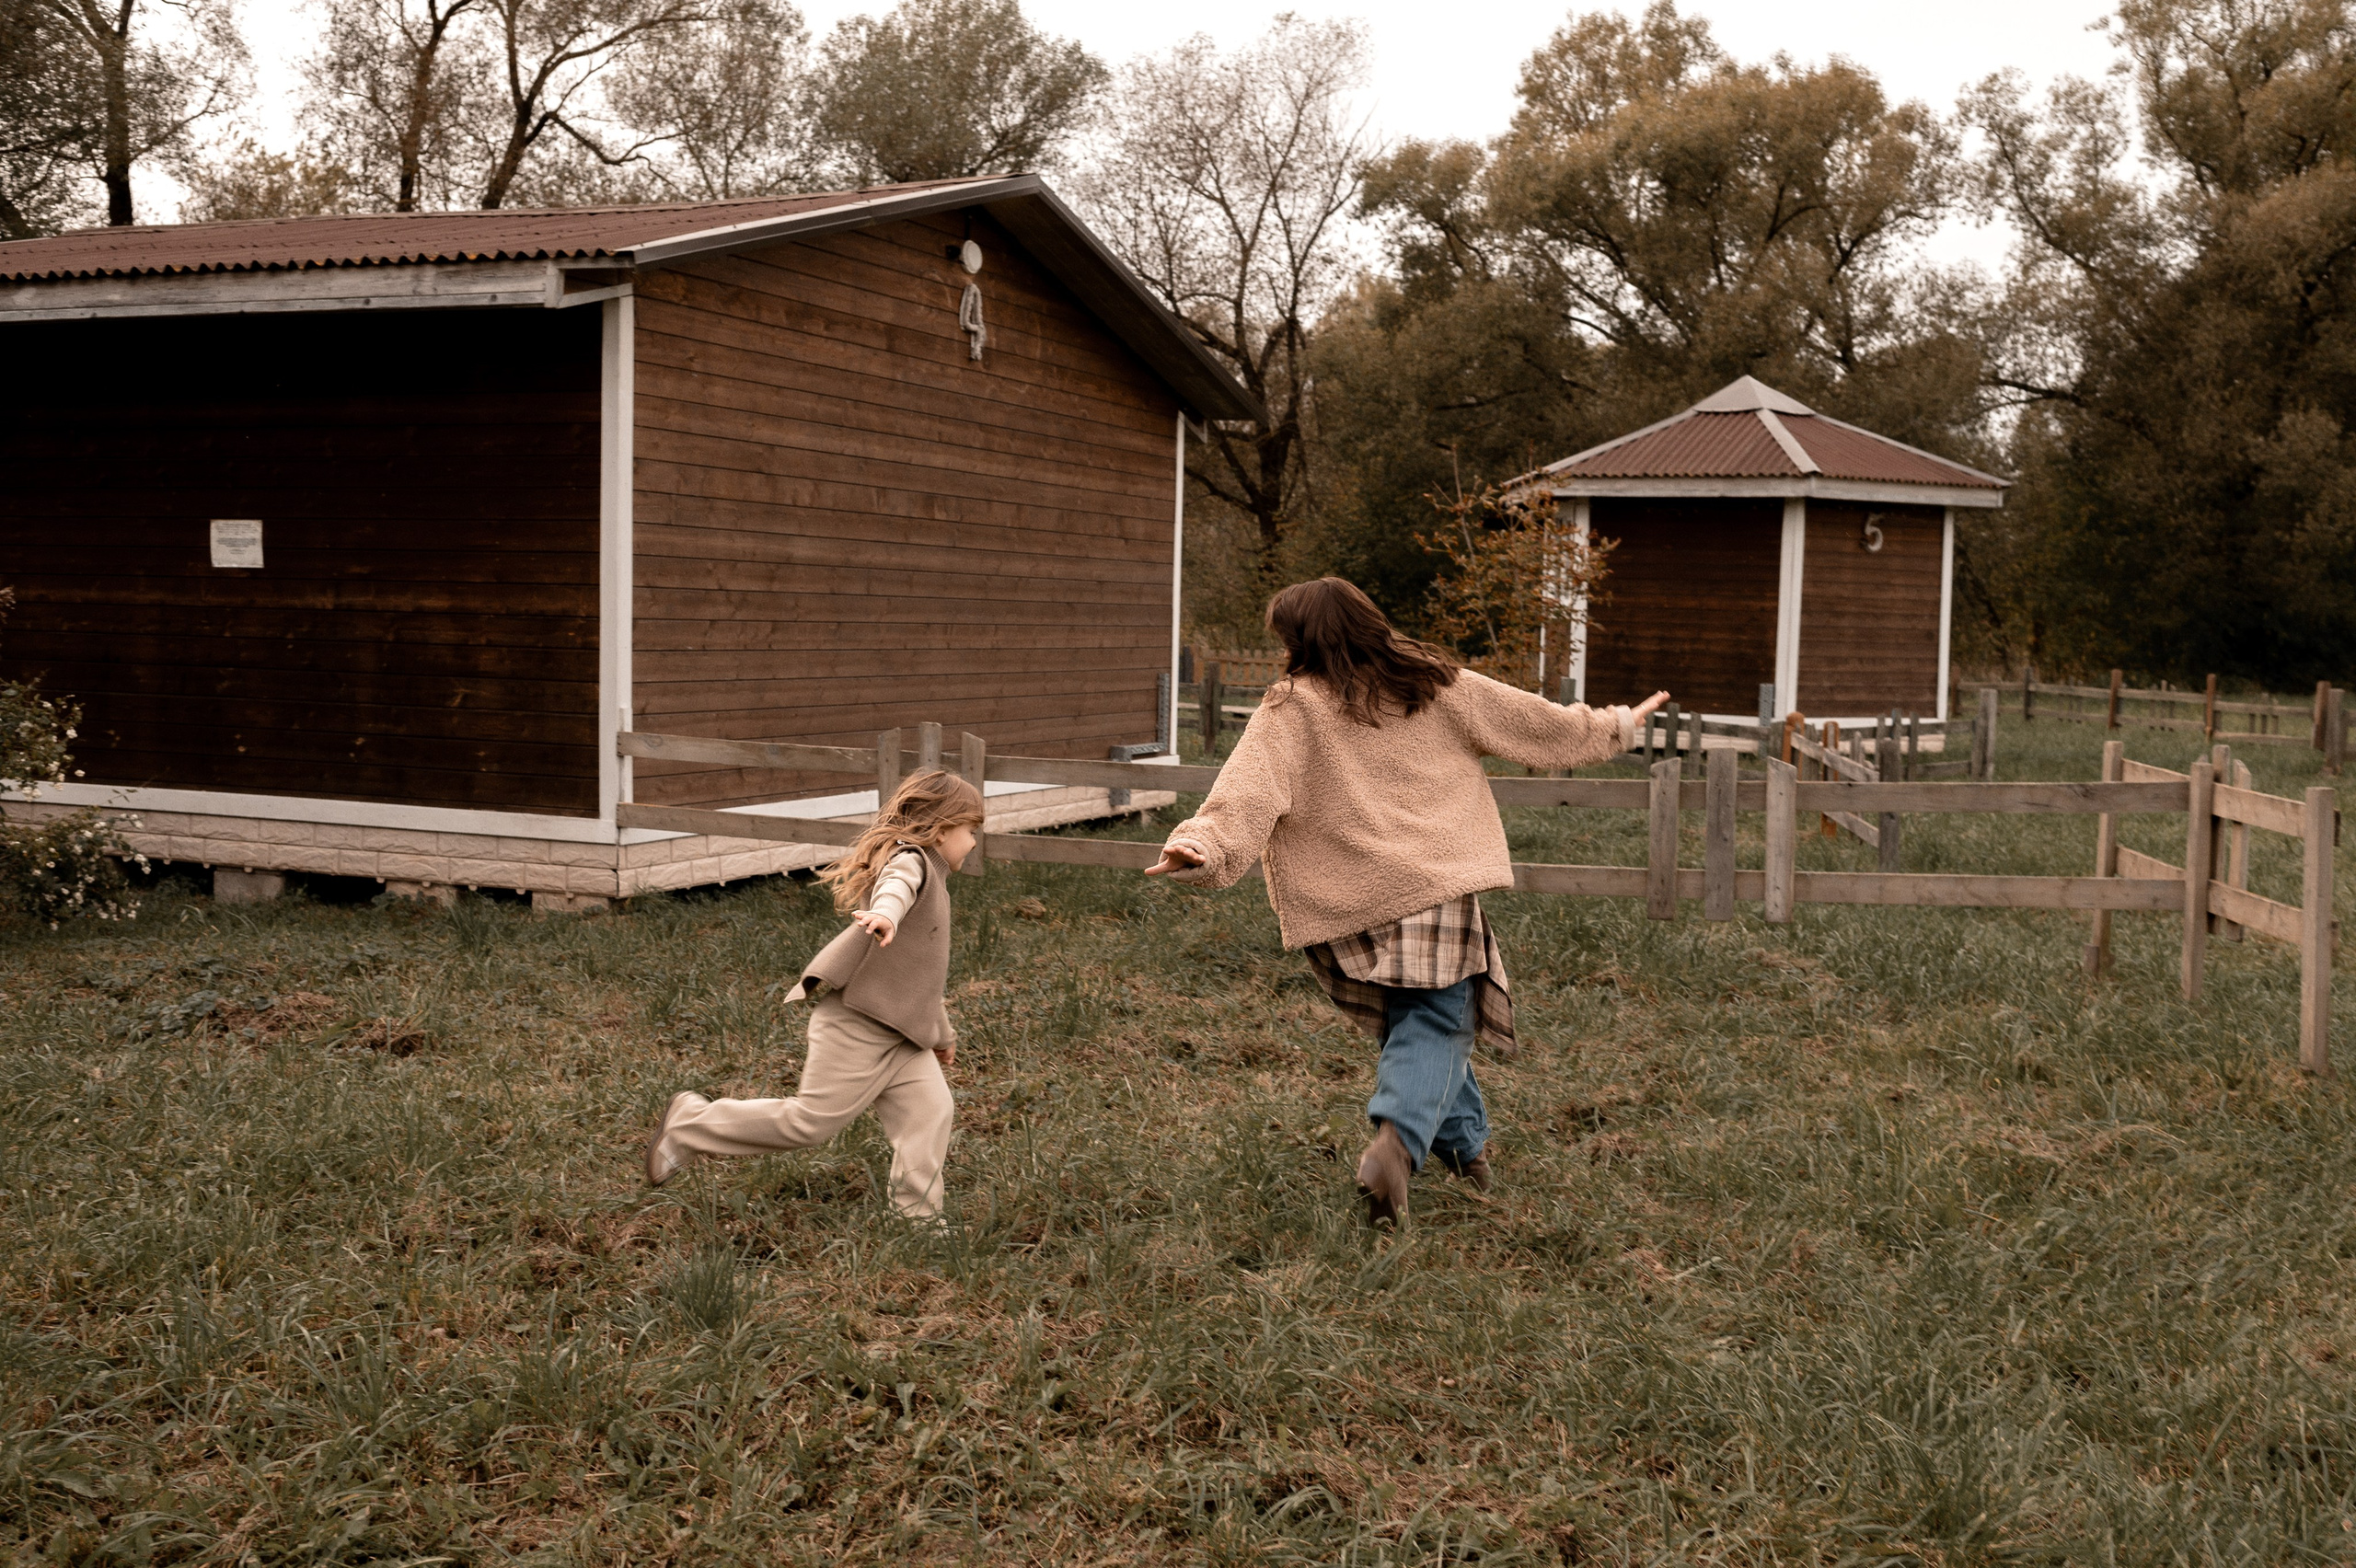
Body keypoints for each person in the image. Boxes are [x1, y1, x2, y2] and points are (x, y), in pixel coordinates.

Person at [1148, 578, 1669, 1225]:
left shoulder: (1293, 707)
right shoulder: (1436, 684)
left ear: (1302, 640)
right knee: (1439, 1022)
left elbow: (1246, 792)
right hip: (1432, 890)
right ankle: (1395, 1146)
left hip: (1346, 906)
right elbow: (1540, 725)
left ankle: (1467, 1152)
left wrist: (1203, 844)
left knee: (1422, 1021)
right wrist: (1618, 725)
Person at [643, 769, 984, 1219]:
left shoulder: (936, 885)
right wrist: (886, 913)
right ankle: (690, 1123)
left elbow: (921, 977)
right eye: (971, 830)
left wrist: (942, 1034)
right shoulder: (913, 861)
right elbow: (896, 884)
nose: (974, 842)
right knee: (809, 1124)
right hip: (858, 1025)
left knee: (931, 1112)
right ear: (941, 830)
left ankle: (917, 1217)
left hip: (902, 1037)